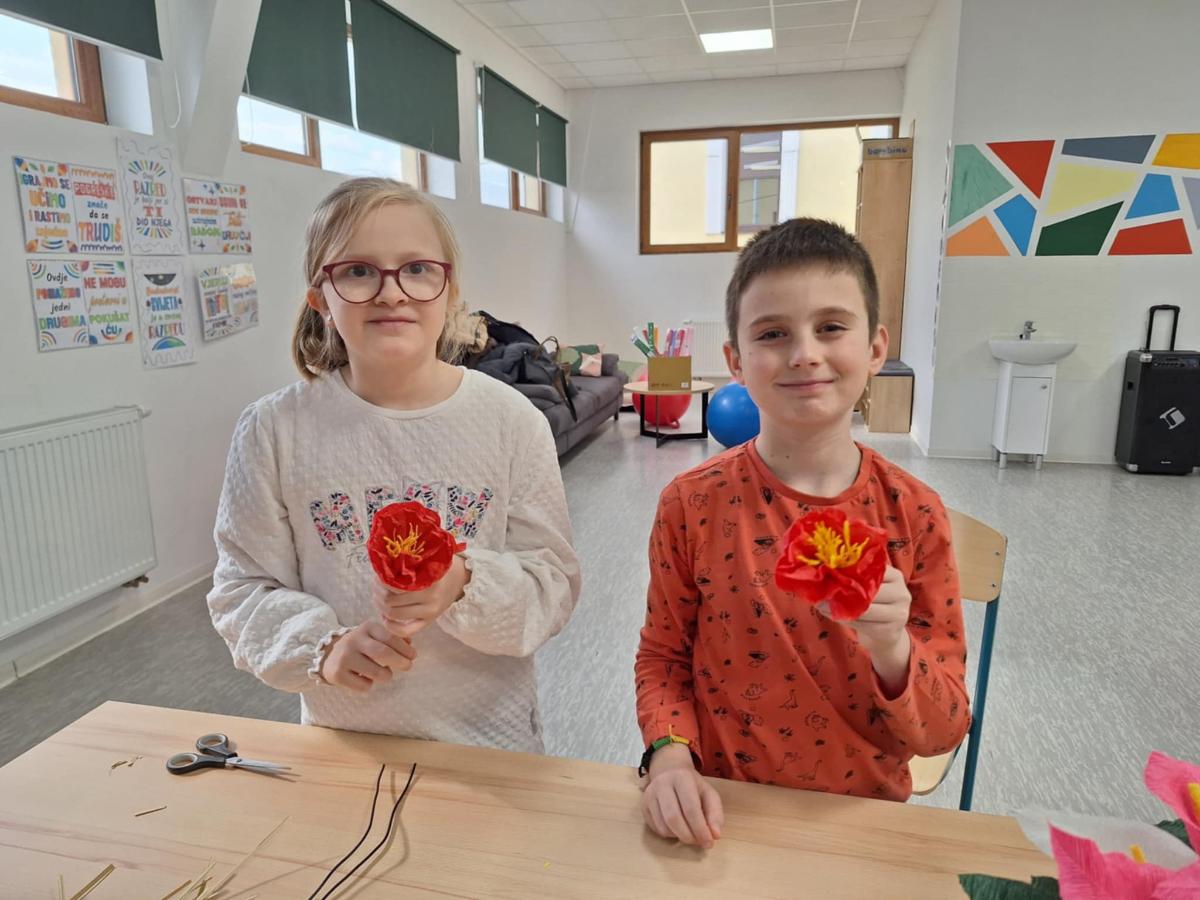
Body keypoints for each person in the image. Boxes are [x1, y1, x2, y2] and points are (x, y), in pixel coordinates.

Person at [208, 177, 580, 752]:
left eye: (417, 268)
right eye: (358, 271)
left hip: (490, 745)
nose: (391, 293)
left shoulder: (511, 421)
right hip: (348, 742)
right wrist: (323, 648)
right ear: (320, 299)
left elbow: (551, 584)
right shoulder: (274, 430)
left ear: (449, 291)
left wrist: (462, 583)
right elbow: (242, 589)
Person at [635, 218, 970, 848]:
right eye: (772, 334)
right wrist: (670, 757)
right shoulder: (691, 503)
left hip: (863, 819)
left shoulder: (915, 514)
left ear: (875, 348)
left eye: (831, 327)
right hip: (725, 809)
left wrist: (892, 647)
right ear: (735, 362)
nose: (804, 354)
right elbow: (664, 658)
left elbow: (944, 729)